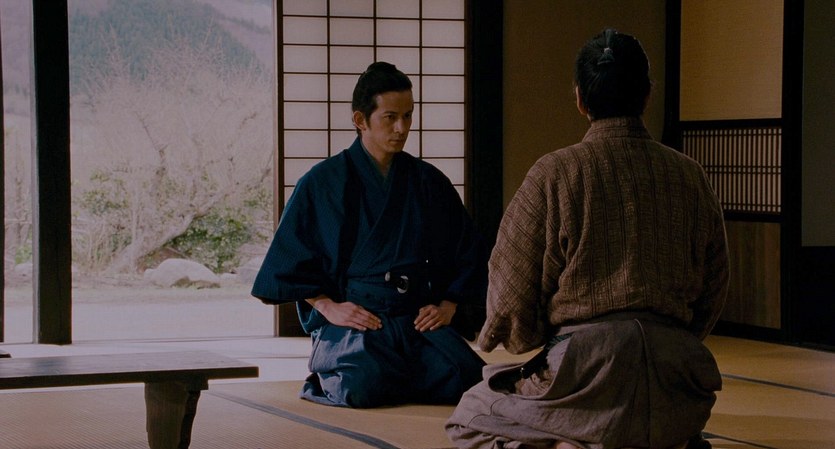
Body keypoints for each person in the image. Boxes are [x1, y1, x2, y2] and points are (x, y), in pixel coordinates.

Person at [445, 29, 729, 449]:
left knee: (470, 413)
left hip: (581, 370)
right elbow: (715, 282)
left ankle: (570, 442)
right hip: (675, 377)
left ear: (580, 98)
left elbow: (510, 286)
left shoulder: (555, 173)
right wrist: (676, 334)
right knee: (658, 425)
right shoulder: (689, 175)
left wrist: (530, 336)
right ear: (647, 95)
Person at [251, 61, 487, 408]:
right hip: (359, 319)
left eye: (408, 116)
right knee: (362, 386)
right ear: (360, 120)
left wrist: (449, 305)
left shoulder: (428, 181)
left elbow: (468, 249)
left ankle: (401, 371)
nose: (402, 128)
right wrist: (328, 307)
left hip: (413, 316)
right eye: (390, 117)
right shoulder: (322, 182)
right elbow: (287, 262)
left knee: (470, 381)